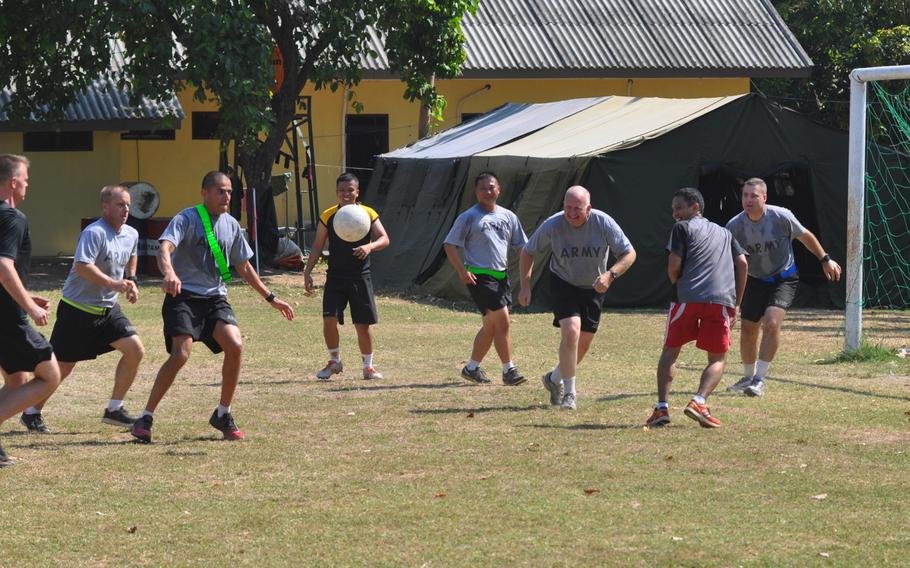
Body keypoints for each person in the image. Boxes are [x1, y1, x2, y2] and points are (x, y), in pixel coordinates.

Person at [130, 171, 294, 444]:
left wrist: (271, 298)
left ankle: (223, 413)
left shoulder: (231, 225)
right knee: (181, 354)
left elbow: (244, 267)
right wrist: (169, 273)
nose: (226, 196)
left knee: (235, 345)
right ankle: (145, 417)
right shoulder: (186, 218)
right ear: (204, 192)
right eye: (220, 191)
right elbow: (165, 248)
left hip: (215, 298)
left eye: (229, 191)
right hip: (183, 296)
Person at [20, 185, 144, 433]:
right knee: (61, 368)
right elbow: (82, 267)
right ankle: (31, 412)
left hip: (108, 309)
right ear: (105, 206)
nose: (126, 209)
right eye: (120, 204)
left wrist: (131, 279)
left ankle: (114, 409)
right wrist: (114, 283)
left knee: (135, 349)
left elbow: (131, 254)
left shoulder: (131, 233)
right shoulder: (94, 233)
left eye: (128, 205)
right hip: (78, 309)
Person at [518, 185, 636, 410]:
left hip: (594, 286)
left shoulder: (603, 222)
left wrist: (610, 275)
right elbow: (528, 251)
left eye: (577, 209)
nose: (571, 213)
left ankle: (553, 379)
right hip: (563, 282)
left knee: (581, 346)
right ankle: (570, 394)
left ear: (588, 208)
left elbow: (629, 253)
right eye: (567, 208)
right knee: (571, 332)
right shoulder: (553, 224)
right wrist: (525, 285)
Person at [725, 178, 841, 397]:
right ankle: (747, 377)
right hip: (754, 280)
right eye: (745, 195)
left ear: (764, 198)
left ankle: (759, 379)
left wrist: (825, 259)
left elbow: (805, 236)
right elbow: (724, 256)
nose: (748, 200)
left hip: (783, 279)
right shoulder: (734, 226)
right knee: (748, 329)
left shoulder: (781, 216)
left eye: (754, 196)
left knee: (771, 322)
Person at [646, 188, 748, 428]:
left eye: (679, 208)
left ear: (695, 207)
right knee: (718, 358)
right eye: (673, 210)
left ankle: (662, 408)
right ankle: (699, 401)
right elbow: (743, 263)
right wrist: (737, 303)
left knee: (671, 351)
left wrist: (679, 284)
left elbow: (673, 267)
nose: (675, 214)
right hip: (721, 300)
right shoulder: (725, 233)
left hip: (686, 298)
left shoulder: (682, 228)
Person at [0, 154, 62, 466]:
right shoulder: (13, 217)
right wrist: (28, 307)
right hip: (7, 318)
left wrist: (26, 295)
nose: (27, 183)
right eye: (25, 178)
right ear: (13, 182)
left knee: (17, 381)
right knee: (50, 374)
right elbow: (2, 266)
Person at [443, 172, 528, 385]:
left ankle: (471, 368)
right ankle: (509, 370)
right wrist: (462, 271)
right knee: (503, 321)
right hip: (479, 276)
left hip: (501, 277)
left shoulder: (509, 216)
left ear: (499, 189)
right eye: (483, 188)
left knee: (491, 326)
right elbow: (449, 244)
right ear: (476, 192)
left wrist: (526, 279)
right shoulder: (469, 217)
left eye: (491, 187)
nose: (488, 192)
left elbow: (523, 248)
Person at [304, 173, 390, 381]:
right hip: (335, 277)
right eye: (342, 190)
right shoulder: (329, 215)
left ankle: (368, 367)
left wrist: (369, 246)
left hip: (360, 276)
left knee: (362, 324)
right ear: (336, 193)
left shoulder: (367, 213)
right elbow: (317, 246)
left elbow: (385, 239)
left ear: (357, 192)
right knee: (328, 319)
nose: (346, 194)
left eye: (350, 190)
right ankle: (334, 361)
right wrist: (307, 272)